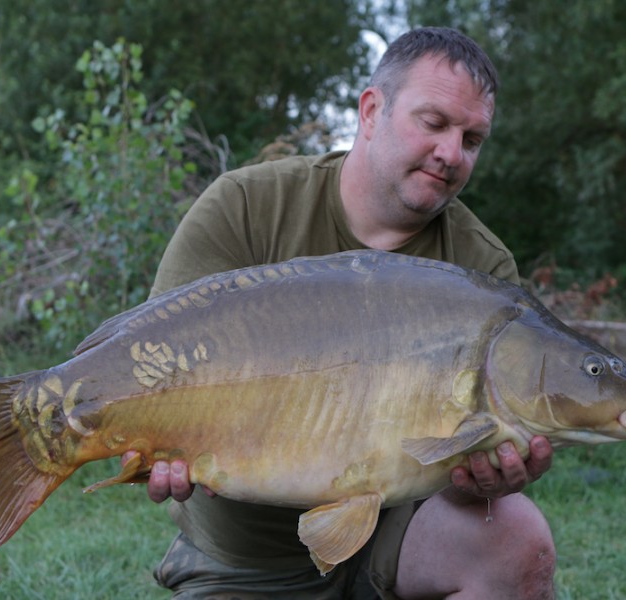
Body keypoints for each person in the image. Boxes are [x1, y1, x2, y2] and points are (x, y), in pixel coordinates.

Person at [128, 27, 556, 599]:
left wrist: (497, 476)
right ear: (371, 110)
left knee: (517, 538)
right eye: (433, 124)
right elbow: (150, 361)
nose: (452, 154)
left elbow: (475, 454)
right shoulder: (247, 207)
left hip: (400, 535)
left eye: (472, 139)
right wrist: (152, 439)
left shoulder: (482, 270)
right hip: (244, 558)